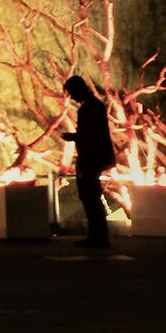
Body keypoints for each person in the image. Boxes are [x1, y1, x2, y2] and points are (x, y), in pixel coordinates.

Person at [65, 73, 115, 249]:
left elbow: (89, 135)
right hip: (97, 156)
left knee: (90, 197)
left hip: (91, 157)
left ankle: (98, 237)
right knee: (92, 196)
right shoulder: (96, 106)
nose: (72, 97)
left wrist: (73, 137)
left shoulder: (87, 109)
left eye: (71, 93)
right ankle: (98, 236)